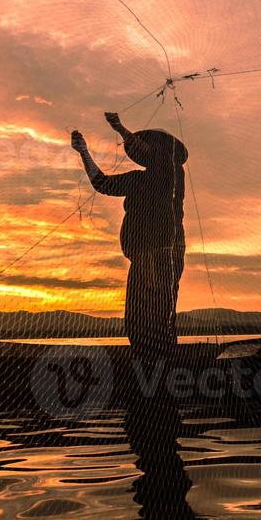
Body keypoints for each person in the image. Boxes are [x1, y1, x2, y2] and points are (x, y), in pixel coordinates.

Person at [71, 112, 188, 354]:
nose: (148, 150)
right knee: (139, 309)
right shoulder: (138, 179)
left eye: (154, 147)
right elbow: (102, 184)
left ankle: (160, 355)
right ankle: (145, 353)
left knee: (158, 304)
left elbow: (151, 155)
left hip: (160, 252)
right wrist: (83, 152)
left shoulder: (171, 174)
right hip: (141, 254)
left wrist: (120, 128)